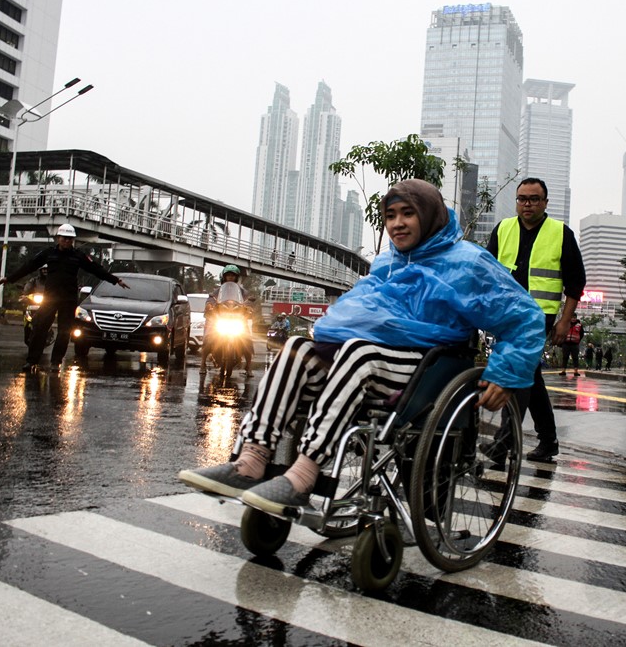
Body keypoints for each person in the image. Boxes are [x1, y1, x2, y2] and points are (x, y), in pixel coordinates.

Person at [178, 180, 544, 512]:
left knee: (359, 354)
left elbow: (524, 317)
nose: (397, 223)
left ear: (429, 216)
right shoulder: (387, 262)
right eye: (390, 216)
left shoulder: (468, 263)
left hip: (426, 369)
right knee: (296, 349)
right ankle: (252, 458)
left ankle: (304, 474)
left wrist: (506, 372)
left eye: (407, 214)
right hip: (363, 365)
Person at [486, 177, 586, 462]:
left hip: (538, 316)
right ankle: (548, 440)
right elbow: (489, 273)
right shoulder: (503, 228)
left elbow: (576, 283)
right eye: (522, 199)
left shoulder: (560, 233)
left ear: (545, 202)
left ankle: (503, 443)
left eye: (533, 199)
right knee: (530, 376)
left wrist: (565, 322)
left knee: (517, 373)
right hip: (506, 314)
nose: (527, 204)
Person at [0, 224, 129, 372]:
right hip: (50, 298)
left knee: (64, 332)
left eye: (70, 239)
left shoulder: (78, 256)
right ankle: (32, 361)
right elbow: (29, 266)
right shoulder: (49, 254)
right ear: (58, 239)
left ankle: (56, 363)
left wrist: (115, 280)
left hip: (68, 300)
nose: (67, 241)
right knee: (40, 328)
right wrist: (9, 279)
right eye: (64, 238)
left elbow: (96, 269)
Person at [200, 265, 253, 376]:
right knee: (208, 337)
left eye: (232, 275)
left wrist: (249, 308)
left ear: (236, 277)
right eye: (228, 275)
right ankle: (203, 363)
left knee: (247, 339)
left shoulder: (243, 292)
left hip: (237, 320)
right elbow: (210, 299)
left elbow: (249, 301)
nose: (230, 277)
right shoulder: (216, 291)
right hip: (220, 319)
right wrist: (209, 305)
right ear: (224, 277)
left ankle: (248, 366)